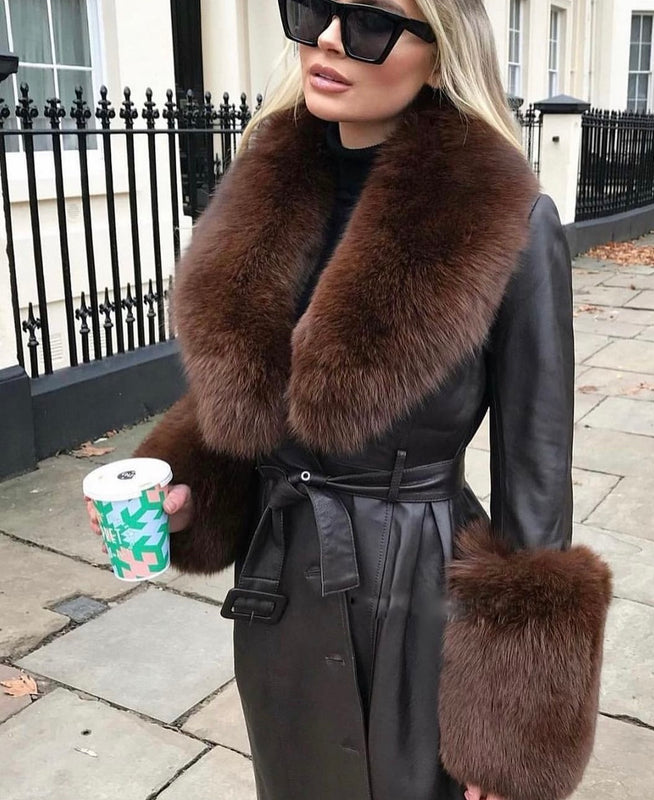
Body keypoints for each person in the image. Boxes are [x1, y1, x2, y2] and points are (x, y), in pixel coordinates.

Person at [87, 0, 612, 798]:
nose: (329, 39)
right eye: (314, 10)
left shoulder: (505, 219)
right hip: (280, 581)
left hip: (416, 592)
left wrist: (513, 729)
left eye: (368, 23)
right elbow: (252, 397)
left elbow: (536, 475)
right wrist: (185, 493)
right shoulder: (264, 186)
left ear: (440, 54)